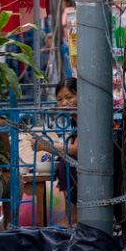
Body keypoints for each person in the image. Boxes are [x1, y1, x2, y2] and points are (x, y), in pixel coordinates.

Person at [32, 77, 79, 225]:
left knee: (67, 161)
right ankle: (70, 214)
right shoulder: (75, 119)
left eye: (69, 97)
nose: (64, 103)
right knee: (64, 161)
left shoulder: (85, 117)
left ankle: (74, 216)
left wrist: (48, 146)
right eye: (59, 99)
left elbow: (77, 150)